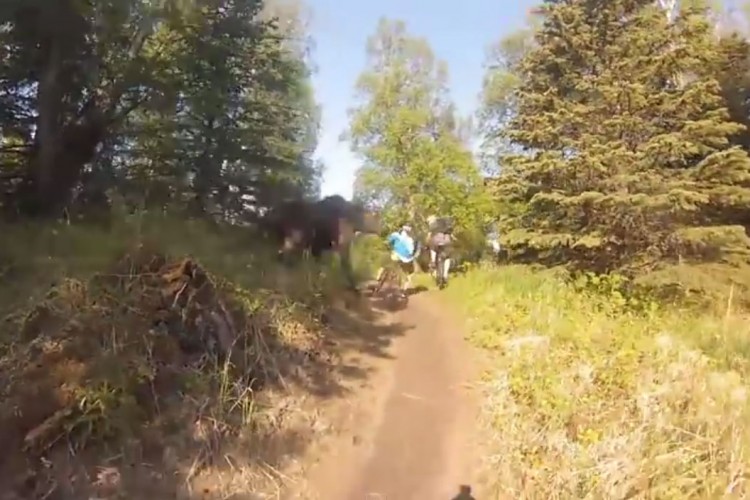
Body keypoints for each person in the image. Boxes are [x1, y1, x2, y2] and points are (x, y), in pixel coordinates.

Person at [376, 223, 418, 297]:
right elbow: (416, 250)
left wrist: (386, 245)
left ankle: (378, 278)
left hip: (396, 255)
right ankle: (404, 291)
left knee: (384, 263)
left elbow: (387, 242)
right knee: (410, 274)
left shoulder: (396, 235)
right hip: (407, 259)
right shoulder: (414, 238)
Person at [426, 215, 454, 286]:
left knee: (432, 247)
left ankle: (432, 261)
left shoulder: (432, 225)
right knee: (447, 257)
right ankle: (445, 275)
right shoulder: (445, 224)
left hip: (436, 241)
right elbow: (451, 234)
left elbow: (429, 237)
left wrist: (427, 244)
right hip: (446, 241)